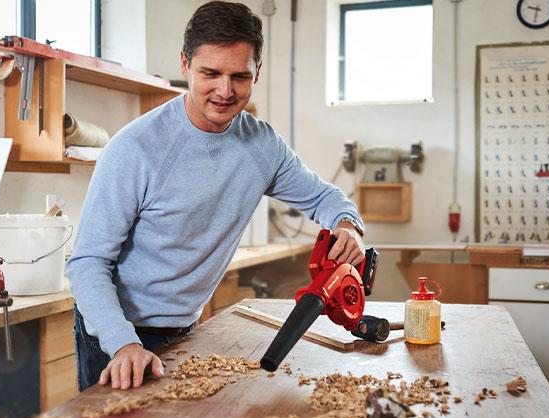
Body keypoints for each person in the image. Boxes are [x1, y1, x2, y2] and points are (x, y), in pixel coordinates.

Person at [66, 0, 366, 392]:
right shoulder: (135, 149)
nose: (224, 91)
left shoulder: (262, 146)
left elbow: (324, 198)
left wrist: (348, 224)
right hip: (116, 333)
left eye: (239, 76)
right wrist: (122, 343)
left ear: (257, 72)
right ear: (185, 65)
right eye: (211, 73)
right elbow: (87, 262)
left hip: (187, 326)